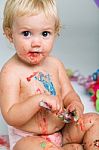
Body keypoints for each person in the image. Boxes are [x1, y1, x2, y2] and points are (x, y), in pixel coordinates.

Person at [0, 0, 99, 150]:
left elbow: (68, 94)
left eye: (45, 33)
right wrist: (38, 100)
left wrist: (75, 105)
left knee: (95, 121)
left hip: (62, 131)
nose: (36, 43)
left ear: (55, 32)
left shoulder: (55, 64)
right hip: (28, 138)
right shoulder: (10, 71)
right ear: (10, 35)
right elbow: (10, 115)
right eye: (26, 33)